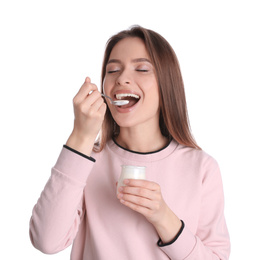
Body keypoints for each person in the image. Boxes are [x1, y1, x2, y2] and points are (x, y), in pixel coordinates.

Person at [29, 26, 230, 260]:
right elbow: (46, 241)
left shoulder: (202, 168)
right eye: (112, 70)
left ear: (167, 84)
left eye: (142, 68)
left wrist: (164, 217)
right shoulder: (86, 159)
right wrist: (81, 137)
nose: (122, 78)